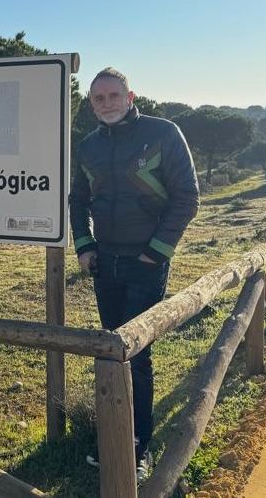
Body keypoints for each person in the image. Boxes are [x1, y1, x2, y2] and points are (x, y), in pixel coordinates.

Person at [70, 68, 199, 480]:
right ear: (91, 104)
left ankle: (139, 444)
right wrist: (84, 246)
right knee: (112, 351)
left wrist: (154, 253)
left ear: (130, 97)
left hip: (146, 263)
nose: (106, 103)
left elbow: (187, 197)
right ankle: (115, 434)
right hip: (104, 263)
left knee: (136, 355)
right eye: (98, 98)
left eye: (113, 95)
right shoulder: (87, 146)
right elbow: (77, 200)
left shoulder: (163, 133)